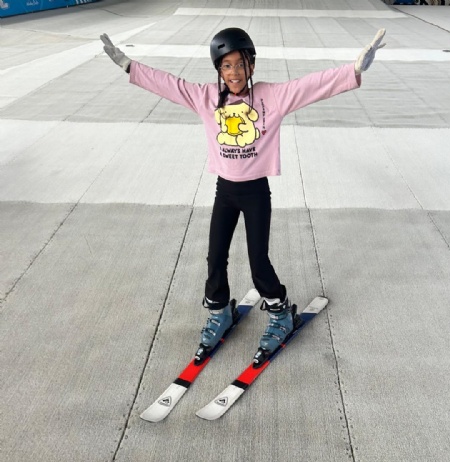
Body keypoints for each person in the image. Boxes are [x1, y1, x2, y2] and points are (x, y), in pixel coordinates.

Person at [100, 27, 386, 362]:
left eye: (240, 64)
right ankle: (219, 311)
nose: (234, 72)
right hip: (225, 190)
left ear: (251, 65)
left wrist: (353, 69)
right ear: (218, 70)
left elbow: (310, 86)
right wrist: (128, 65)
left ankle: (281, 314)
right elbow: (169, 84)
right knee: (215, 257)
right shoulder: (206, 97)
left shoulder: (271, 97)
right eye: (226, 66)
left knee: (258, 261)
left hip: (255, 192)